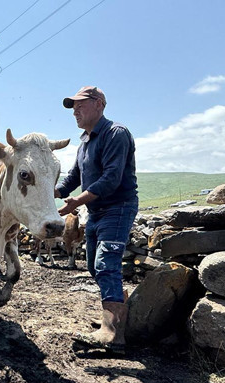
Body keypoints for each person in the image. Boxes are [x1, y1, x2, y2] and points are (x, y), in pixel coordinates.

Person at [55, 86, 138, 354]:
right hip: (96, 211)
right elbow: (71, 180)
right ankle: (118, 320)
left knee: (106, 265)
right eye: (73, 107)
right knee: (93, 266)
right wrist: (46, 193)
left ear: (99, 104)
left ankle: (113, 334)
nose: (75, 111)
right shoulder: (85, 143)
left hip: (118, 208)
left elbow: (112, 178)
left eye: (80, 105)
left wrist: (76, 202)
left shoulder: (115, 134)